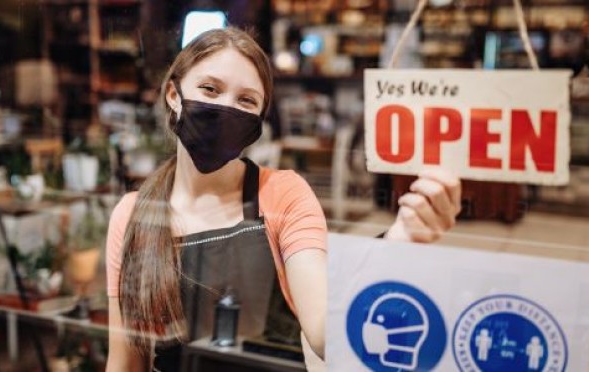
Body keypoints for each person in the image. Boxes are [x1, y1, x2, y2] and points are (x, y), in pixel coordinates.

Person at [105, 27, 461, 371]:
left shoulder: (282, 194)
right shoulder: (134, 213)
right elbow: (125, 362)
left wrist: (399, 242)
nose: (226, 108)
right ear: (173, 95)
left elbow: (323, 331)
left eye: (246, 100)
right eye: (210, 89)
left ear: (257, 122)